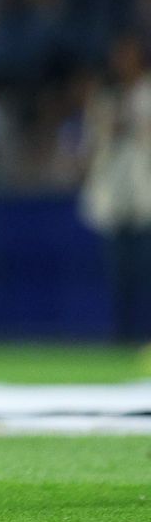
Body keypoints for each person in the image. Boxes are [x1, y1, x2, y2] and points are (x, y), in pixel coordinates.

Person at [79, 34, 151, 344]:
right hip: (113, 198)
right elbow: (89, 146)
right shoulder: (104, 98)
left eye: (128, 54)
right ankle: (121, 342)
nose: (122, 62)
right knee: (119, 280)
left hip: (146, 197)